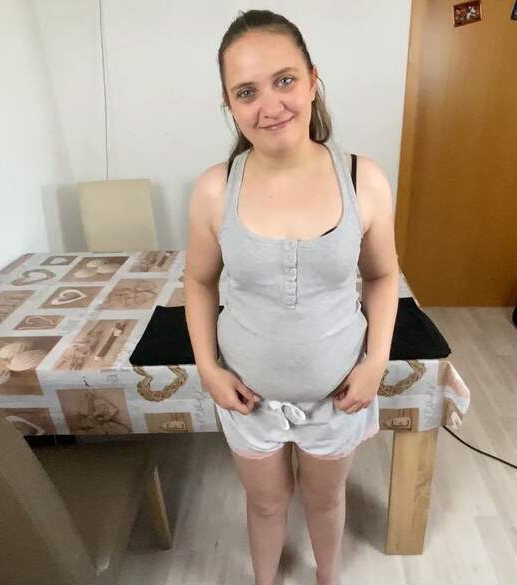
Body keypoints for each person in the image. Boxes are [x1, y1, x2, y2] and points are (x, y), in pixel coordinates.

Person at [184, 9, 400, 585]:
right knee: (265, 503)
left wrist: (376, 362)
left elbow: (382, 277)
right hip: (249, 400)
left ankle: (327, 578)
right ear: (230, 104)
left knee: (325, 500)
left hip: (338, 397)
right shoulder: (214, 189)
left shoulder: (363, 180)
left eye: (284, 80)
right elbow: (199, 282)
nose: (270, 105)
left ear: (311, 81)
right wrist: (207, 367)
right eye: (246, 92)